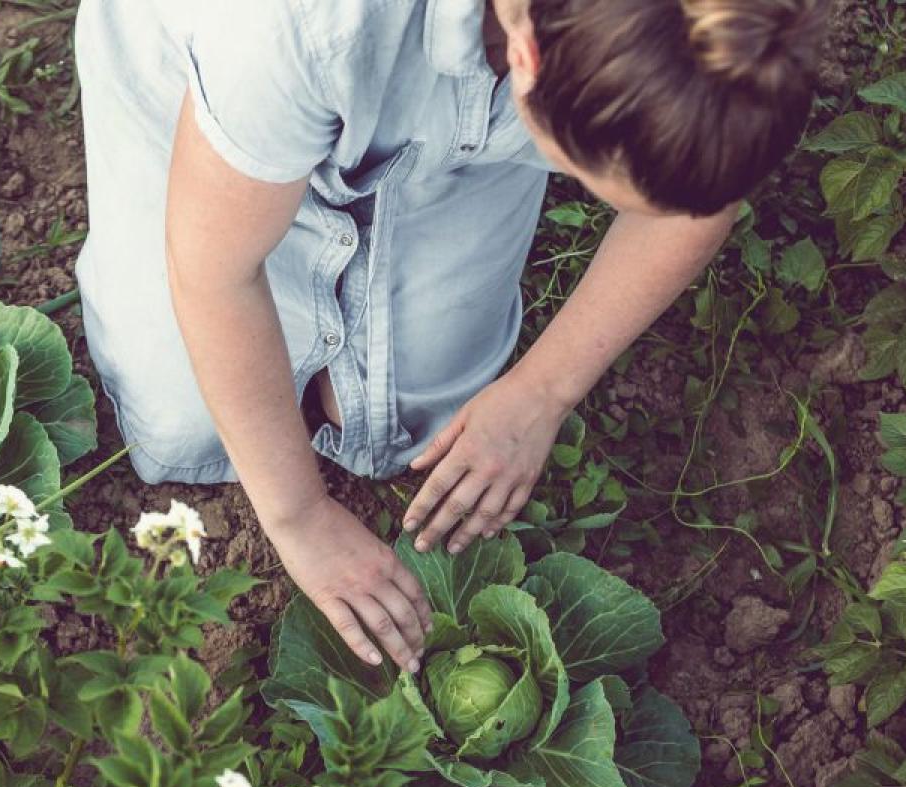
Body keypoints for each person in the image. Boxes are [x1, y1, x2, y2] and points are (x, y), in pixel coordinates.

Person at [73, 0, 828, 672]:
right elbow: (212, 273)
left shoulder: (727, 30)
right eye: (589, 176)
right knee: (185, 424)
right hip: (209, 94)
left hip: (467, 129)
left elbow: (695, 199)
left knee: (415, 424)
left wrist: (542, 391)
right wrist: (299, 521)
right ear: (528, 60)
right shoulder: (294, 23)